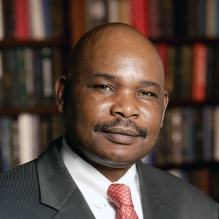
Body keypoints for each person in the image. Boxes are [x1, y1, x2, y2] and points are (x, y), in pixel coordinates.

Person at [0, 23, 218, 219]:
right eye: (104, 87)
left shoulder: (201, 210)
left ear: (163, 109)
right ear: (63, 95)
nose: (126, 109)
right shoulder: (6, 204)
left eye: (146, 93)